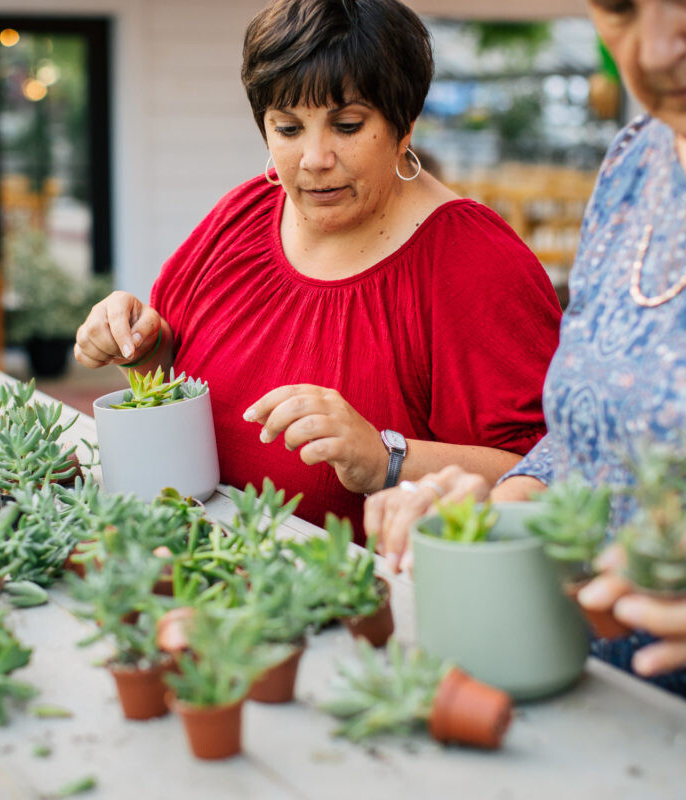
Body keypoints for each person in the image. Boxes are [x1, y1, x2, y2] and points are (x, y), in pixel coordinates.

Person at [75, 0, 561, 542]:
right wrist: (142, 347)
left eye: (347, 124)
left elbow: (554, 474)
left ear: (405, 124)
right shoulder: (239, 218)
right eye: (287, 128)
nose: (313, 158)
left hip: (367, 606)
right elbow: (174, 376)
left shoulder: (474, 264)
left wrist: (384, 459)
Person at [365, 0, 686, 692]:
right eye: (621, 7)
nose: (656, 51)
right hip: (605, 687)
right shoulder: (635, 163)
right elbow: (584, 430)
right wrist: (502, 504)